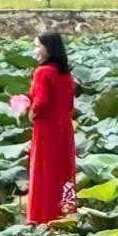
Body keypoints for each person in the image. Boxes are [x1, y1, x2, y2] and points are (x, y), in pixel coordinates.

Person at [24, 31, 78, 224]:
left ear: (48, 48)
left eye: (38, 45)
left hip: (46, 129)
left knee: (44, 172)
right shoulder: (66, 73)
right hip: (64, 127)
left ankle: (41, 216)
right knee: (63, 170)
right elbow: (70, 103)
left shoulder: (42, 72)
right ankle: (65, 212)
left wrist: (30, 112)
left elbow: (41, 102)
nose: (35, 50)